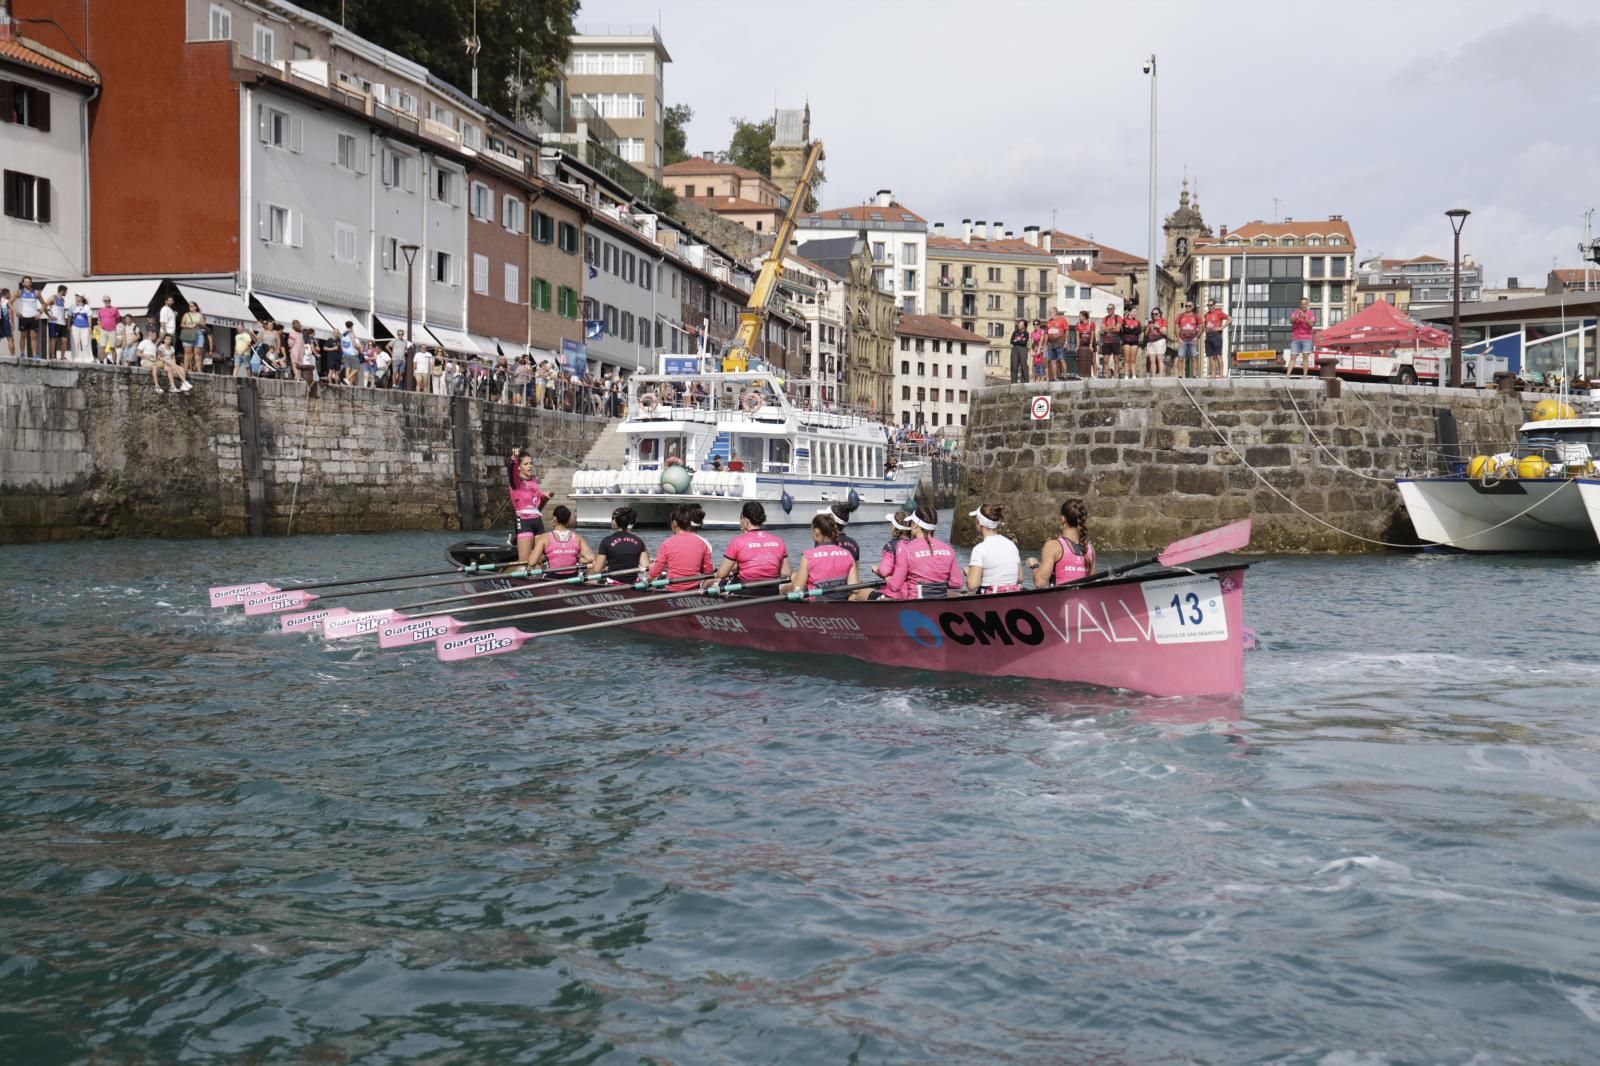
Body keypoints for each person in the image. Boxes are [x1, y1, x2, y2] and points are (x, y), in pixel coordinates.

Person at [883, 504, 963, 599]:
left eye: (912, 522)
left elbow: (895, 587)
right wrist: (937, 584)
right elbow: (957, 583)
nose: (911, 526)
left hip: (915, 605)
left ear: (916, 525)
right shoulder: (948, 549)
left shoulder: (905, 548)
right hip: (939, 603)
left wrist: (890, 580)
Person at [714, 501, 790, 590]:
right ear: (763, 519)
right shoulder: (779, 541)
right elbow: (786, 573)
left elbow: (722, 574)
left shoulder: (737, 541)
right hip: (772, 589)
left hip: (747, 590)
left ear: (745, 520)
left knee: (716, 584)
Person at [785, 512, 860, 600]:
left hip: (815, 607)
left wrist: (794, 581)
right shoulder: (848, 554)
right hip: (841, 605)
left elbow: (797, 590)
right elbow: (855, 589)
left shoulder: (807, 556)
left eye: (812, 531)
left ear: (816, 532)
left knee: (785, 587)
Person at [1026, 498, 1096, 588]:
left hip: (1059, 601)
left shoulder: (1053, 546)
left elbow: (1040, 583)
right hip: (1083, 601)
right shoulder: (1090, 549)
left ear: (1063, 519)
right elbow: (1091, 586)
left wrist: (1035, 566)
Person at [647, 505, 714, 592]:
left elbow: (654, 573)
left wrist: (652, 567)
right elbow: (709, 572)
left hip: (672, 590)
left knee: (651, 575)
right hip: (693, 590)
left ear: (674, 523)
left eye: (670, 522)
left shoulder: (667, 543)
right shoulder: (702, 544)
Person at [852, 510, 914, 600]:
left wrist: (876, 570)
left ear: (894, 528)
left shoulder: (890, 546)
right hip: (912, 592)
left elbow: (885, 571)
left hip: (893, 594)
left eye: (891, 524)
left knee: (857, 590)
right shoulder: (916, 545)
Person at [964, 504, 1023, 593]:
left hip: (990, 601)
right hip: (1012, 596)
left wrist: (968, 572)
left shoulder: (980, 549)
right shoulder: (1011, 545)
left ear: (979, 523)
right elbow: (1020, 578)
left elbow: (972, 585)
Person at [507, 446, 547, 567]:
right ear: (519, 467)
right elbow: (511, 471)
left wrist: (545, 495)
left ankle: (541, 583)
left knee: (541, 559)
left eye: (530, 463)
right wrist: (514, 458)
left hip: (538, 522)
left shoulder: (533, 481)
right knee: (524, 562)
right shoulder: (516, 483)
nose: (529, 466)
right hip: (524, 522)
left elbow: (537, 500)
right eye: (525, 464)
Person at [527, 505, 593, 577]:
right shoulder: (578, 538)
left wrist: (537, 555)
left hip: (552, 577)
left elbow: (532, 562)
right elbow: (590, 558)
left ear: (554, 519)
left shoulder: (544, 537)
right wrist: (577, 559)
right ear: (568, 520)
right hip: (572, 577)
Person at [589, 506, 651, 582]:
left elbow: (597, 569)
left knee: (589, 576)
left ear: (615, 522)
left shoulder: (606, 541)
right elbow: (646, 566)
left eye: (612, 519)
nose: (611, 521)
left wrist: (587, 574)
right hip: (633, 581)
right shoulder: (639, 541)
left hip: (614, 582)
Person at [1288, 297, 1316, 378]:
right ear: (1300, 305)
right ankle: (1287, 375)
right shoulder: (1295, 312)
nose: (1303, 305)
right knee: (1293, 357)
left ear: (1307, 304)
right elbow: (1291, 321)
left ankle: (1304, 376)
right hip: (1296, 338)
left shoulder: (1311, 313)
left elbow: (1311, 324)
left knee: (1305, 356)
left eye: (1305, 304)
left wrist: (1304, 317)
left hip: (1307, 338)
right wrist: (1297, 317)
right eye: (1302, 304)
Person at [14, 277, 40, 359]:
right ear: (23, 283)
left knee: (34, 337)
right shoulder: (19, 292)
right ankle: (22, 353)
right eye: (26, 282)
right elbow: (10, 302)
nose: (28, 283)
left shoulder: (36, 292)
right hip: (23, 317)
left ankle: (34, 354)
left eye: (29, 282)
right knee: (23, 336)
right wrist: (16, 311)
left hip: (33, 317)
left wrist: (40, 312)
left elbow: (44, 303)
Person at [1203, 298, 1230, 378]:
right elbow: (1205, 324)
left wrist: (1222, 327)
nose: (1209, 307)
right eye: (1208, 305)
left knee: (1218, 355)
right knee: (1210, 356)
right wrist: (1205, 329)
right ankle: (1213, 374)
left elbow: (1229, 319)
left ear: (1214, 305)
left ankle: (1221, 373)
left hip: (1216, 336)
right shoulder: (1206, 314)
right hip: (1208, 337)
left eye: (1211, 305)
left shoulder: (1219, 313)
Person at [1175, 302, 1201, 378]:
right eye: (1186, 306)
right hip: (1182, 340)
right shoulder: (1181, 316)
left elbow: (1201, 327)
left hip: (1192, 340)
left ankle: (1194, 375)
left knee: (1194, 357)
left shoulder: (1196, 316)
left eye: (1189, 306)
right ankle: (1180, 374)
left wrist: (1197, 337)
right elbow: (1176, 327)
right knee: (1180, 357)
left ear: (1192, 307)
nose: (1187, 307)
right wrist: (1178, 338)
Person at [1045, 307, 1071, 382]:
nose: (1049, 313)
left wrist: (1066, 342)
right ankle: (1055, 377)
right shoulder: (1048, 322)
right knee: (1053, 361)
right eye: (1049, 312)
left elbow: (1067, 330)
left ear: (1055, 312)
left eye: (1050, 312)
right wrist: (1045, 344)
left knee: (1062, 359)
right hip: (1051, 344)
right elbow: (1046, 333)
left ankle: (1065, 377)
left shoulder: (1062, 320)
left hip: (1060, 343)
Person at [179, 301, 204, 372]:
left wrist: (197, 323)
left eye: (192, 306)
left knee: (198, 353)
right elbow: (181, 324)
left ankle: (199, 369)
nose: (190, 307)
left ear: (196, 307)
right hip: (188, 333)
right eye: (190, 306)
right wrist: (188, 326)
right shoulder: (186, 315)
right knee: (187, 352)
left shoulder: (200, 315)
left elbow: (203, 325)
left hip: (198, 333)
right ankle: (185, 368)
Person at [68, 295, 93, 362]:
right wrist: (68, 325)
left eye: (78, 297)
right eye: (76, 297)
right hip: (75, 326)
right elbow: (69, 317)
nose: (77, 299)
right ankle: (75, 359)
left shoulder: (87, 307)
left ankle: (87, 359)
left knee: (85, 343)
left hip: (85, 327)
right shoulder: (72, 307)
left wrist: (90, 327)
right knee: (75, 343)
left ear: (82, 299)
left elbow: (89, 317)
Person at [1100, 304, 1122, 379]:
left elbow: (1117, 329)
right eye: (1108, 309)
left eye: (1110, 309)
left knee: (1116, 359)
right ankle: (1107, 375)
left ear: (1114, 309)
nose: (1109, 310)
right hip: (1106, 341)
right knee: (1105, 360)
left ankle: (1116, 375)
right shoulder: (1105, 319)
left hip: (1116, 340)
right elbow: (1102, 329)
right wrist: (1111, 327)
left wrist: (1107, 329)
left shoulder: (1118, 318)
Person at [95, 297, 121, 364]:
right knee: (102, 346)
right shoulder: (100, 310)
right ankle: (101, 362)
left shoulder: (115, 309)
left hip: (112, 330)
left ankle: (115, 362)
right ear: (104, 301)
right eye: (106, 301)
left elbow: (118, 319)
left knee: (112, 347)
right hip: (103, 330)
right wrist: (102, 325)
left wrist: (112, 324)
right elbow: (99, 319)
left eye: (109, 300)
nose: (107, 302)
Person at [47, 284, 69, 359]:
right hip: (54, 322)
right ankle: (53, 357)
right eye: (66, 291)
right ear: (62, 291)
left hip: (62, 322)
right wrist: (49, 316)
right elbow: (44, 305)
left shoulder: (63, 300)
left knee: (64, 340)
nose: (66, 293)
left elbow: (61, 311)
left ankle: (62, 357)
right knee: (53, 339)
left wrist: (64, 320)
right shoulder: (53, 297)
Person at [1120, 308, 1143, 379]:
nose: (1135, 313)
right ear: (1129, 312)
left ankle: (1134, 375)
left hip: (1135, 341)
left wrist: (1130, 329)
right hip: (1126, 341)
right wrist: (1132, 329)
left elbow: (1138, 331)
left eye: (1135, 312)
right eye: (1133, 312)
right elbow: (1124, 330)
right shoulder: (1124, 320)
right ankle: (1126, 375)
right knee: (1126, 359)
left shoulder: (1137, 321)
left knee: (1133, 359)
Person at [1146, 309, 1169, 377]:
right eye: (1152, 314)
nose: (1154, 315)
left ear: (1159, 314)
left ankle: (1160, 376)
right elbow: (1146, 334)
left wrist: (1158, 327)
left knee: (1159, 359)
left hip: (1160, 341)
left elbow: (1164, 332)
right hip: (1150, 342)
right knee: (1152, 360)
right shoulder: (1150, 322)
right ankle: (1153, 377)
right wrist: (1148, 328)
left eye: (1156, 314)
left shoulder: (1163, 320)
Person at [1074, 311, 1095, 380]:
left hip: (1091, 342)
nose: (1079, 317)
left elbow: (1092, 335)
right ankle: (1082, 374)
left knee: (1093, 359)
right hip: (1082, 342)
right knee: (1081, 358)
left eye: (1080, 316)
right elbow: (1077, 336)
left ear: (1084, 316)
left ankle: (1094, 375)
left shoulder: (1091, 323)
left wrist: (1091, 345)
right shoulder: (1078, 324)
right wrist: (1077, 346)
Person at [1008, 320, 1029, 385]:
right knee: (1014, 365)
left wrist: (1016, 340)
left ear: (1024, 326)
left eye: (1021, 324)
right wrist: (1019, 340)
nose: (1019, 325)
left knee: (1023, 365)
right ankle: (1013, 382)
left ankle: (1025, 382)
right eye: (1019, 324)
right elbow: (1011, 341)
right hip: (1015, 349)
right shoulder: (1015, 332)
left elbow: (1024, 342)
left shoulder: (1026, 333)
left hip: (1023, 349)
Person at [340, 321, 360, 385]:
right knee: (356, 368)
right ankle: (347, 379)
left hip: (345, 353)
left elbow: (342, 345)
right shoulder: (351, 333)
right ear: (352, 326)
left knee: (347, 368)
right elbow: (354, 344)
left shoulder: (343, 334)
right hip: (352, 353)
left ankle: (347, 383)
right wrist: (358, 348)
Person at [0, 287, 11, 358]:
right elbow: (11, 312)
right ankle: (13, 355)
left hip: (2, 320)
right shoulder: (6, 301)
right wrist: (13, 322)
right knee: (10, 338)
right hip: (5, 321)